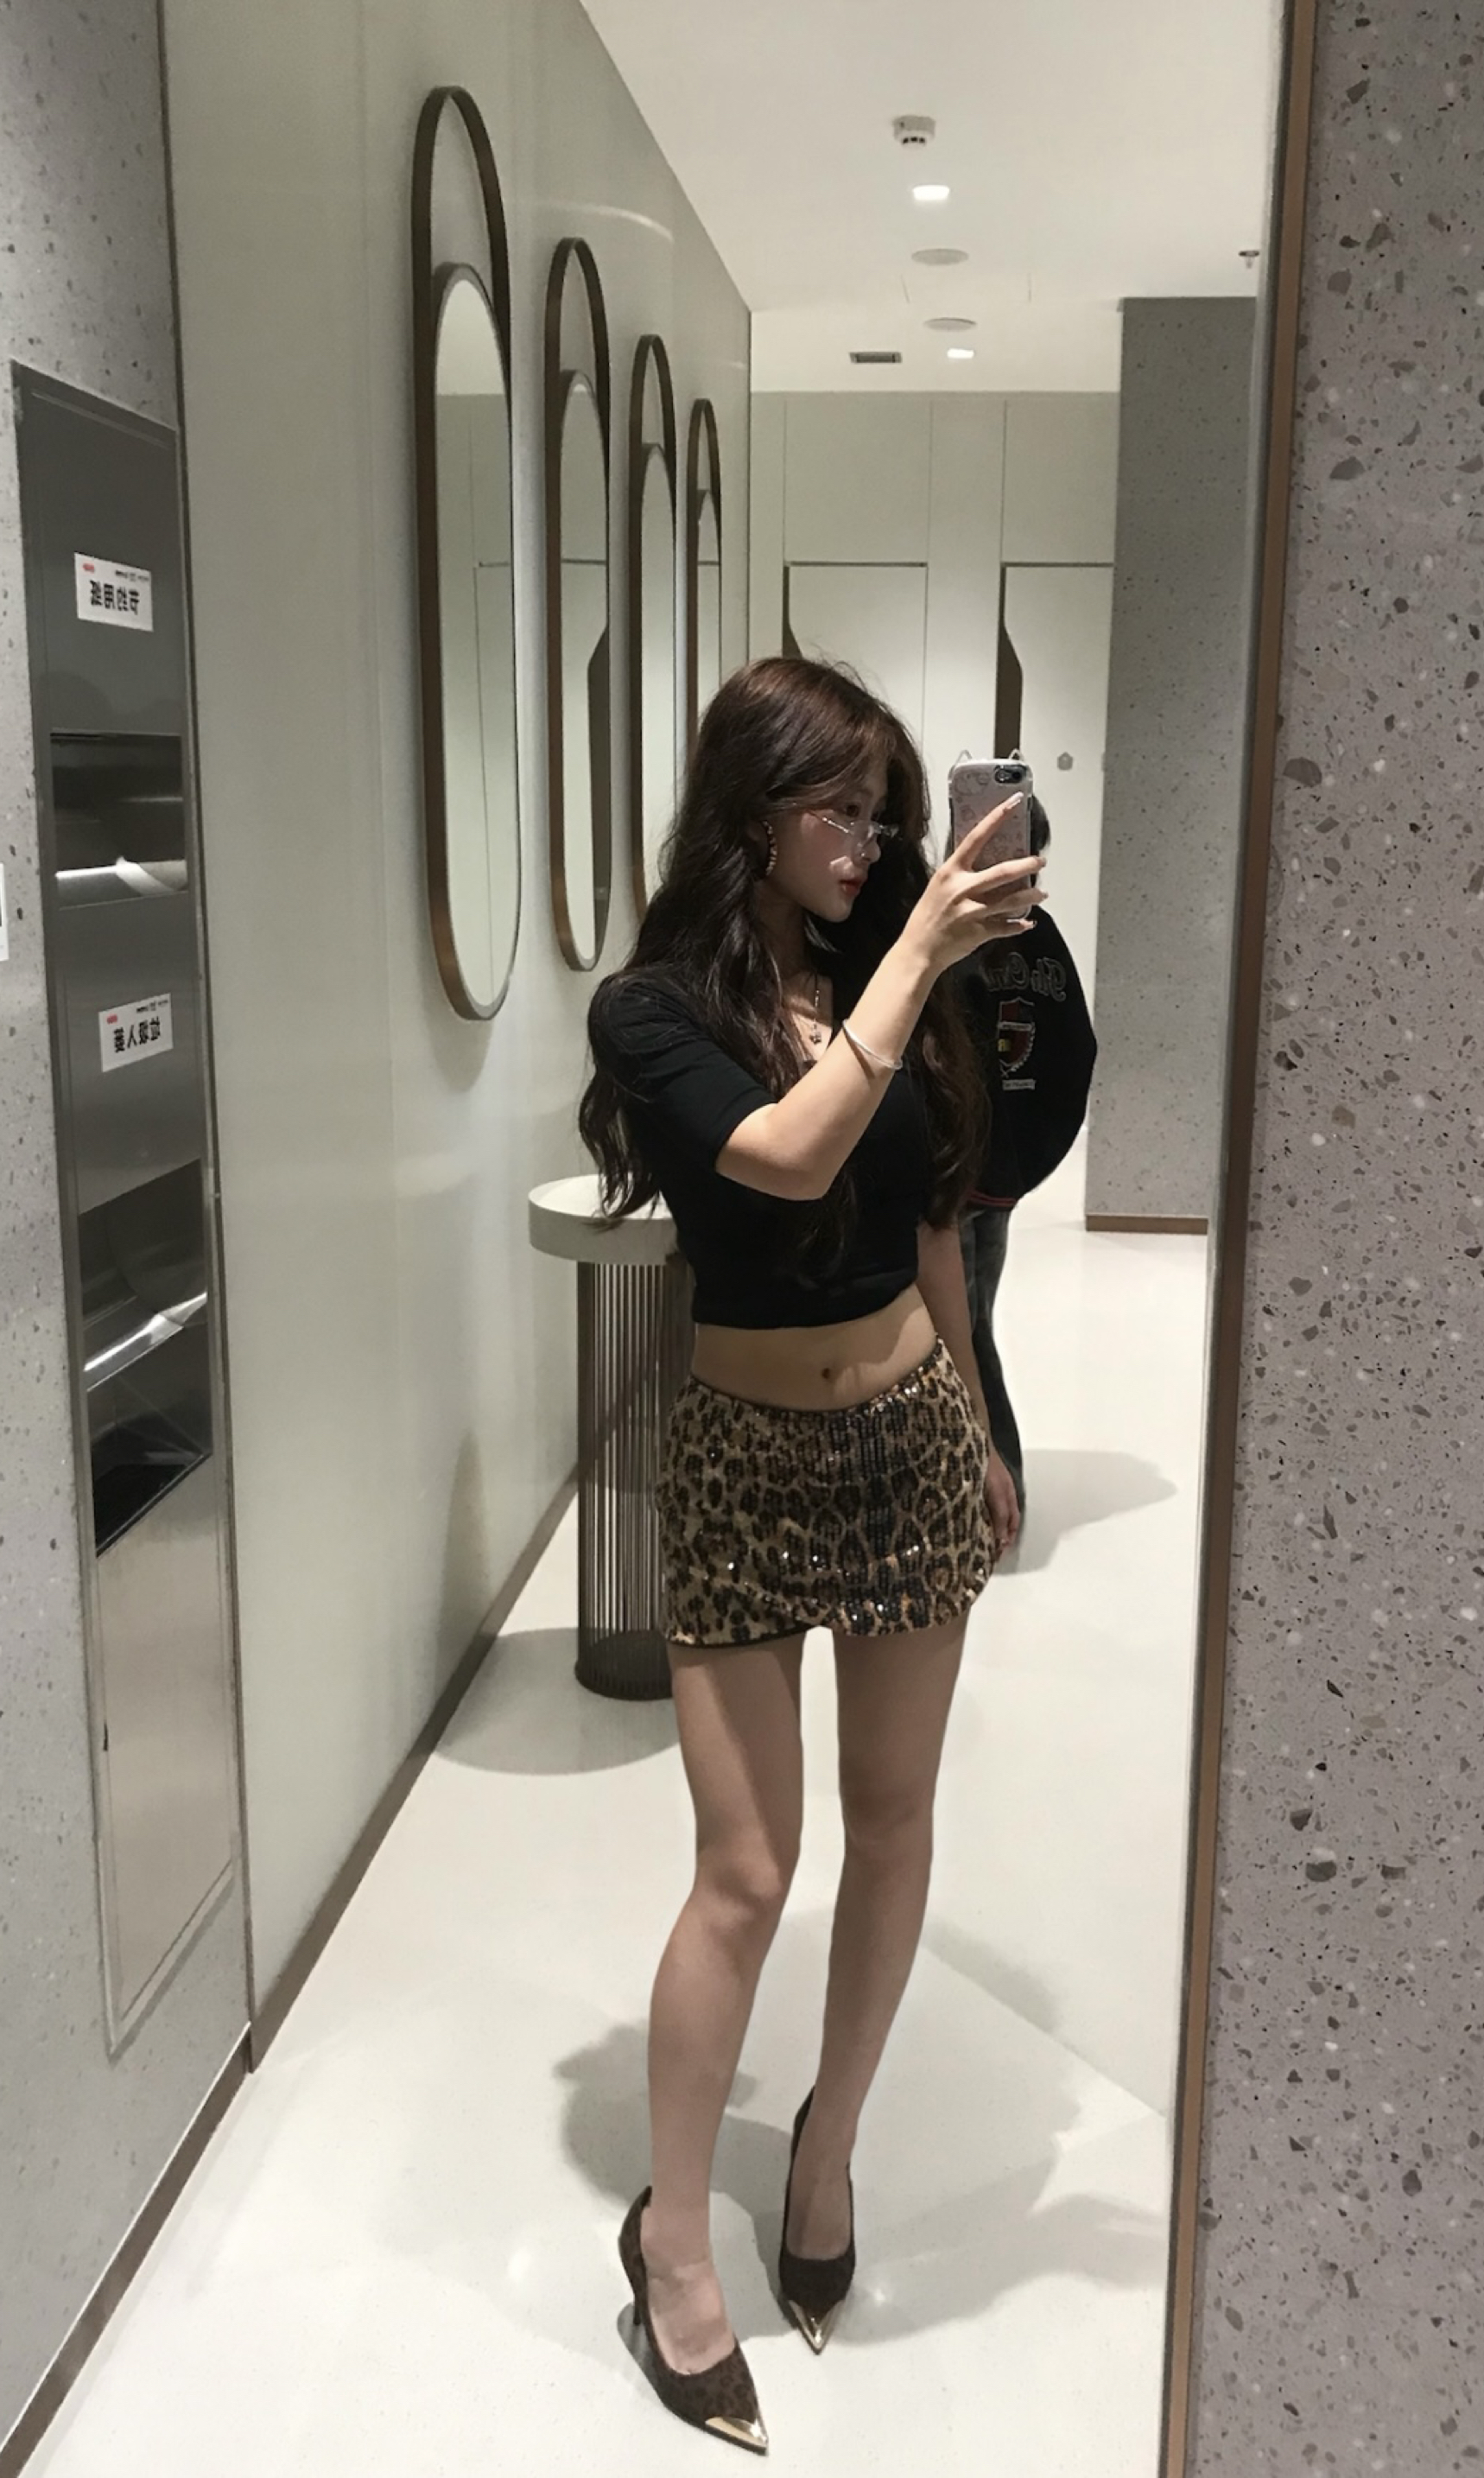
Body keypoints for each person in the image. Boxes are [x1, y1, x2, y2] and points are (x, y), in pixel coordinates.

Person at [580, 656, 1043, 2456]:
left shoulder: (879, 974)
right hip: (743, 1456)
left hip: (907, 1431)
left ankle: (829, 2148)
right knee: (746, 1870)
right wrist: (922, 947)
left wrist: (978, 1420)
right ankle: (671, 2242)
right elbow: (783, 1157)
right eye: (839, 807)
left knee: (897, 1817)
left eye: (884, 812)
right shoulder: (652, 1011)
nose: (869, 840)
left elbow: (925, 1214)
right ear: (750, 809)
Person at [951, 795, 1098, 1523]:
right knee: (970, 1323)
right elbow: (1074, 1050)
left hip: (968, 1173)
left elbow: (1068, 1052)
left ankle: (993, 1496)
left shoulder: (959, 933)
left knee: (964, 1329)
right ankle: (989, 1490)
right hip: (992, 1169)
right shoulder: (1038, 936)